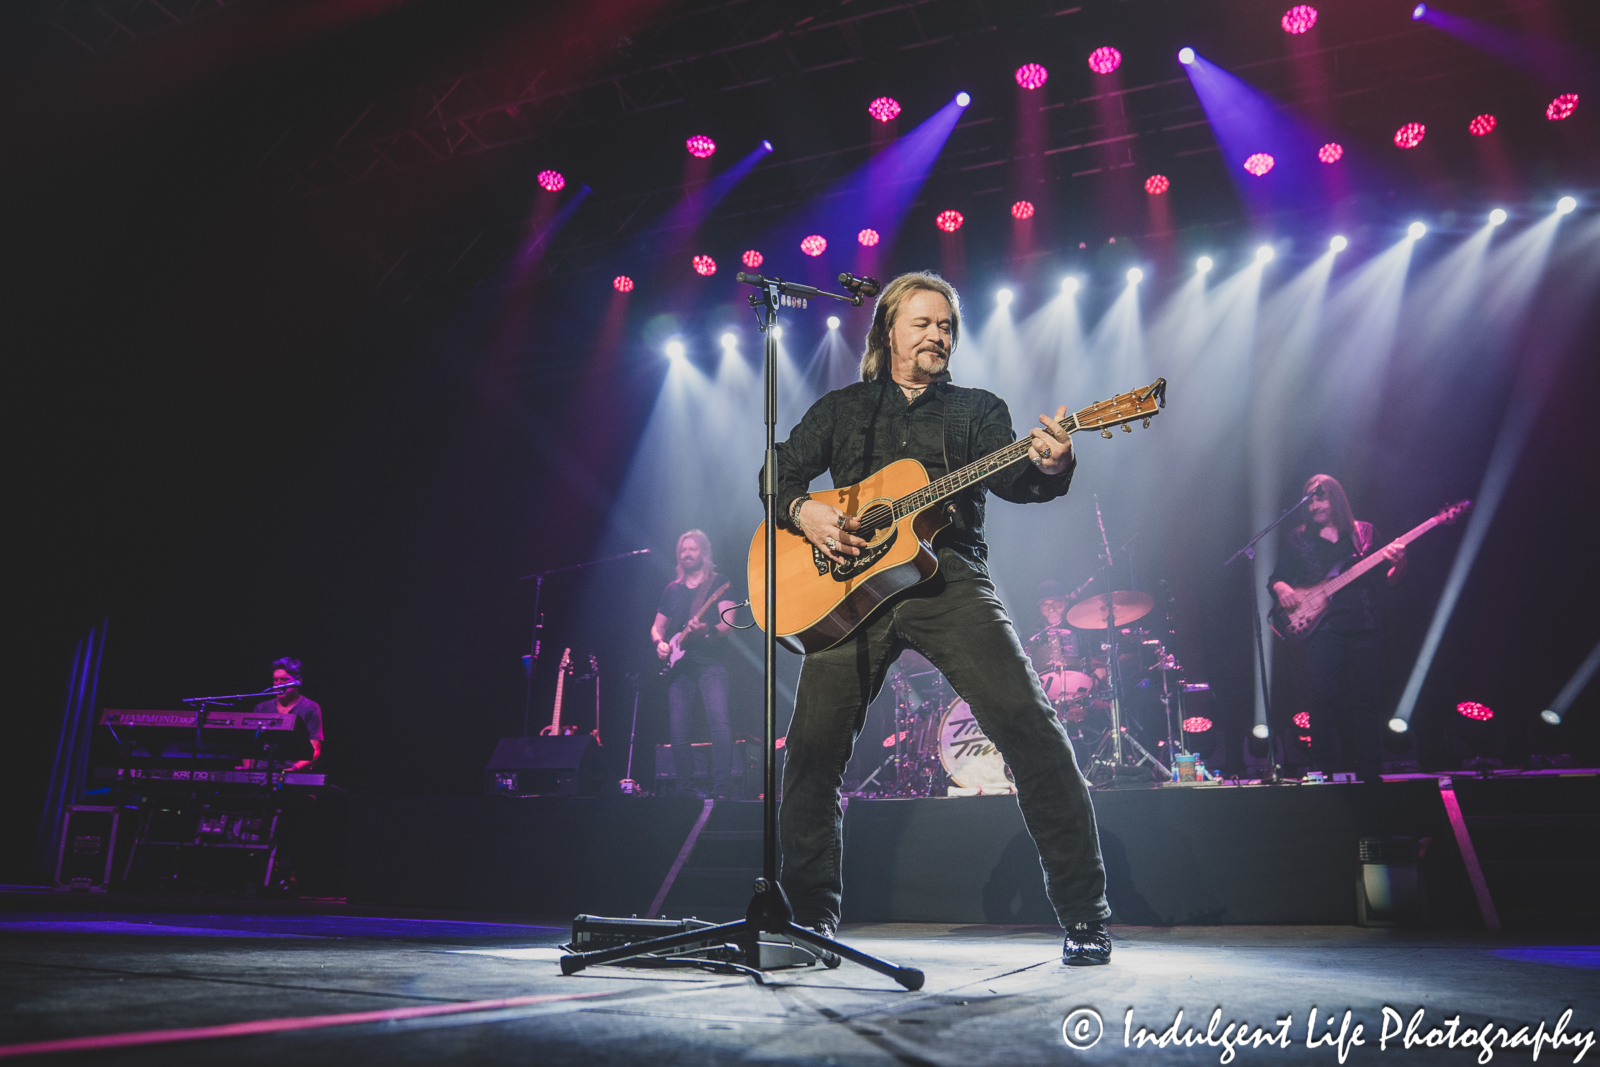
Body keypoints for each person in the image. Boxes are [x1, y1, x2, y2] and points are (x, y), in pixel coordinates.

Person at [765, 271, 1112, 965]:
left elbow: (1017, 479)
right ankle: (809, 921)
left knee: (1030, 726)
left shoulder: (976, 410)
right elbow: (779, 471)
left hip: (948, 577)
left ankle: (1085, 914)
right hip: (848, 591)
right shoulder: (842, 410)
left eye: (946, 326)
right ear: (888, 331)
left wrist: (1053, 460)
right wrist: (804, 511)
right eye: (923, 323)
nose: (937, 335)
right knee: (810, 751)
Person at [1269, 474, 1406, 781]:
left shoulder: (1364, 533)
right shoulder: (1298, 538)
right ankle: (1324, 770)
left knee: (1367, 700)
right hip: (1323, 628)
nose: (1315, 505)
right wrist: (1281, 589)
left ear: (1335, 498)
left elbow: (1391, 581)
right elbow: (1276, 577)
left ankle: (1370, 770)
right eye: (1310, 499)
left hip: (1365, 624)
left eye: (1321, 497)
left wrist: (1400, 563)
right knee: (1321, 697)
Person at [651, 530, 741, 798]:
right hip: (679, 667)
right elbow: (657, 627)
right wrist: (660, 644)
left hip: (711, 663)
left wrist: (705, 630)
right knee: (678, 730)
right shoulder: (672, 589)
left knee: (719, 724)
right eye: (683, 550)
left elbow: (729, 626)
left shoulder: (719, 583)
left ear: (704, 552)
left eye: (692, 549)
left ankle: (722, 789)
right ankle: (684, 791)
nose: (687, 554)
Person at [251, 657, 323, 772]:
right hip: (261, 770)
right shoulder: (261, 707)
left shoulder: (311, 708)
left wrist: (293, 770)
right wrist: (248, 769)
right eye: (275, 680)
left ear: (298, 681)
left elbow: (315, 750)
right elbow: (250, 746)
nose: (278, 684)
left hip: (293, 770)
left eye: (284, 680)